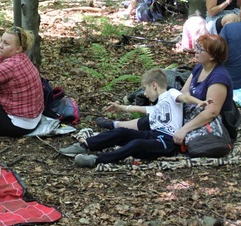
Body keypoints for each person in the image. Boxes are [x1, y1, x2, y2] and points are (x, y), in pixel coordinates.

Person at [72, 68, 210, 167]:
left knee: (136, 144)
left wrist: (198, 102)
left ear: (154, 85)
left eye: (145, 88)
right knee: (122, 132)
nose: (144, 93)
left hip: (166, 141)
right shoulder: (158, 105)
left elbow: (184, 97)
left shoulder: (171, 94)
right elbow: (140, 109)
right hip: (152, 135)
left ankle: (97, 160)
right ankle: (86, 145)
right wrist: (120, 107)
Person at [173, 34, 240, 144]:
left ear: (212, 56)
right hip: (195, 111)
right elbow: (185, 90)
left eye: (200, 49)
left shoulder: (218, 78)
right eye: (196, 46)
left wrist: (184, 129)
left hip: (215, 120)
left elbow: (212, 112)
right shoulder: (201, 66)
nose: (196, 51)